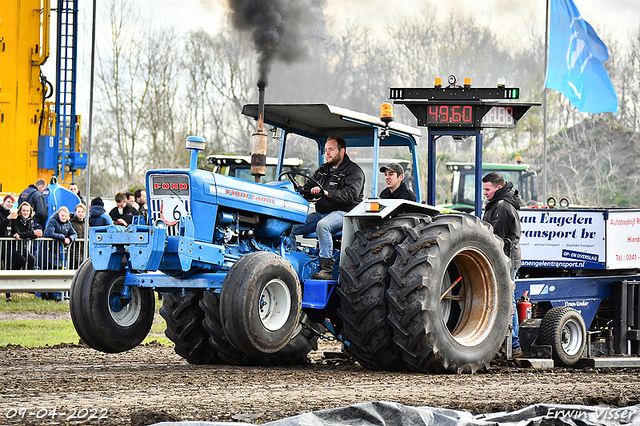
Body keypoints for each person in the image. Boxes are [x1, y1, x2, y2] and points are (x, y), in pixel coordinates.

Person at [293, 135, 365, 280]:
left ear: (342, 151)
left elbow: (350, 195)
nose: (327, 153)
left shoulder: (354, 171)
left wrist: (326, 193)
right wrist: (300, 192)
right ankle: (293, 258)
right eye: (326, 150)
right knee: (291, 226)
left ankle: (326, 270)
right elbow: (307, 189)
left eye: (331, 149)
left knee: (323, 225)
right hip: (321, 212)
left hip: (344, 213)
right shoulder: (323, 170)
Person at [482, 171, 522, 356]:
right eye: (484, 190)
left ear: (498, 187)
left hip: (506, 257)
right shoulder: (496, 204)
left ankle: (514, 344)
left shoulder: (502, 207)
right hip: (504, 256)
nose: (485, 193)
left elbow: (494, 237)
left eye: (487, 189)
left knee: (507, 299)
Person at [11, 201, 41, 271]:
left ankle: (30, 278)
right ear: (20, 211)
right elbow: (17, 232)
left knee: (32, 259)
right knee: (21, 260)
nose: (26, 213)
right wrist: (33, 233)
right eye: (24, 210)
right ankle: (13, 277)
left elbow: (29, 233)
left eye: (27, 211)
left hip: (22, 246)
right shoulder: (15, 219)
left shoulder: (29, 221)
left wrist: (37, 234)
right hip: (13, 246)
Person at [1, 195, 19, 301]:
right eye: (8, 202)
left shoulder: (12, 214)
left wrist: (15, 234)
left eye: (12, 203)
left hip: (7, 245)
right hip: (1, 245)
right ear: (3, 202)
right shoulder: (3, 213)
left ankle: (8, 292)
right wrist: (8, 219)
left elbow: (14, 229)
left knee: (20, 261)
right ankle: (8, 295)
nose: (10, 204)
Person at [69, 203, 86, 268]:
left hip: (84, 250)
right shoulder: (72, 223)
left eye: (82, 212)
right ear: (75, 212)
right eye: (79, 212)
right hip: (74, 251)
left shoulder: (86, 223)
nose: (80, 213)